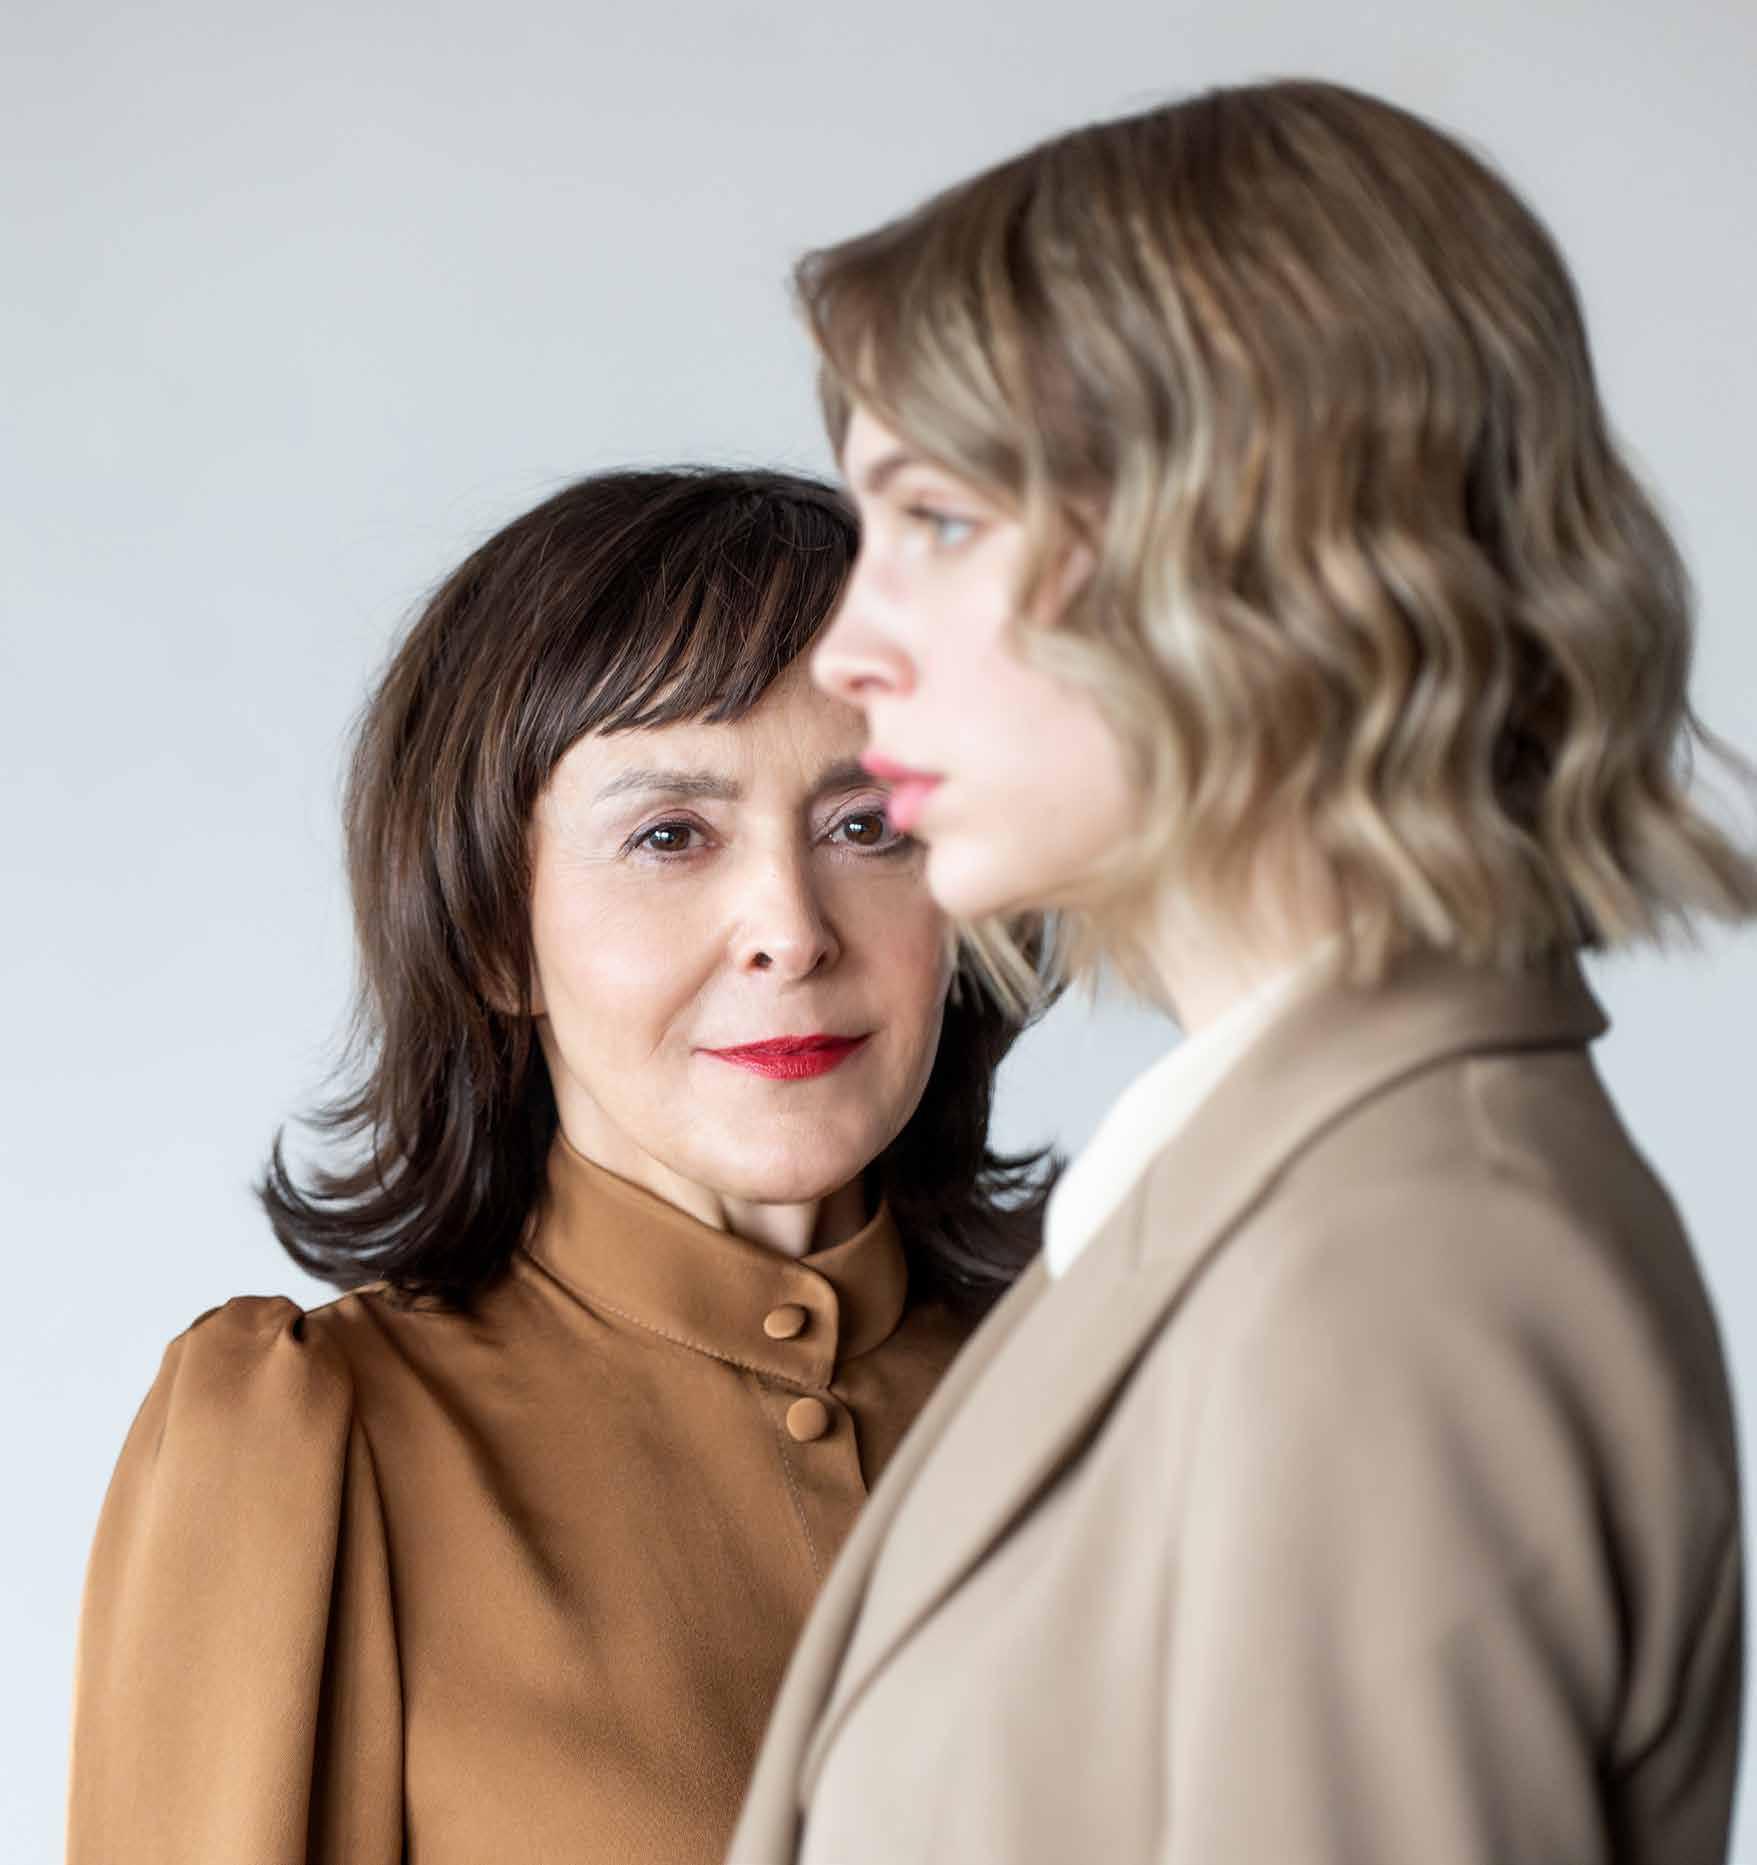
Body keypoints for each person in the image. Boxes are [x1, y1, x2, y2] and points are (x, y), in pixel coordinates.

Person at [730, 81, 1757, 1864]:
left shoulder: (1401, 1269)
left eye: (938, 520)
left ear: (1248, 541)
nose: (848, 648)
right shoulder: (1270, 1198)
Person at [66, 468, 1053, 1865]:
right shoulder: (317, 1451)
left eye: (865, 824)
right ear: (493, 935)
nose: (790, 928)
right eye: (669, 835)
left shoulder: (1112, 1399)